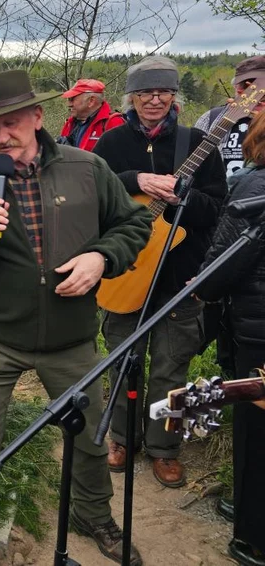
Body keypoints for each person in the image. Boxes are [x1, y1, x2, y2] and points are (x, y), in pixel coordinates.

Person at [0, 70, 151, 566]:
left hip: (71, 341)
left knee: (90, 440)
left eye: (10, 123)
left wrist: (102, 259)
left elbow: (135, 222)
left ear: (37, 117)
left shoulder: (86, 168)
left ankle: (92, 516)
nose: (1, 136)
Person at [93, 55, 227, 487]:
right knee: (123, 361)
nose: (154, 99)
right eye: (145, 92)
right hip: (124, 271)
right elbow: (91, 198)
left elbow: (218, 211)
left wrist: (183, 197)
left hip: (180, 276)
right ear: (130, 97)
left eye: (163, 91)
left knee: (173, 366)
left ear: (174, 96)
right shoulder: (110, 145)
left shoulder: (198, 143)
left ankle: (164, 448)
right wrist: (135, 180)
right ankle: (121, 438)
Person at [194, 109, 265, 566]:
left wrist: (202, 286)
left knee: (257, 433)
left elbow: (220, 272)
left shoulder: (253, 186)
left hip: (257, 335)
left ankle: (252, 536)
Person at [194, 55, 265, 182]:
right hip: (220, 200)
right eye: (245, 86)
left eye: (260, 87)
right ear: (236, 87)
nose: (256, 94)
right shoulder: (210, 119)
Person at [57, 78, 125, 151]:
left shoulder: (113, 123)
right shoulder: (69, 124)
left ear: (91, 101)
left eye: (72, 99)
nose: (69, 104)